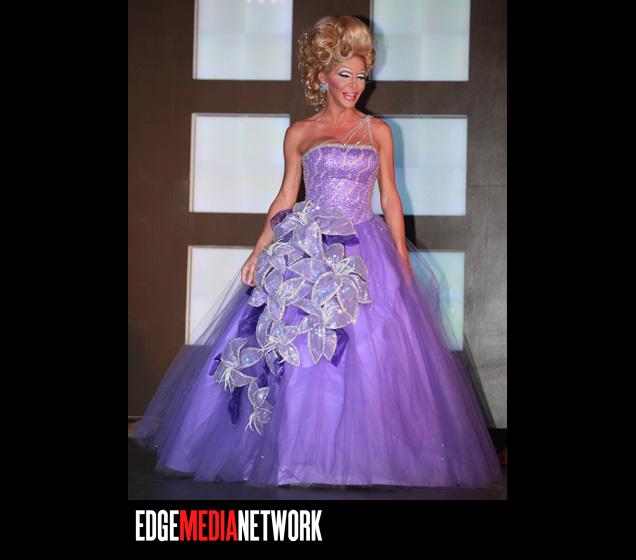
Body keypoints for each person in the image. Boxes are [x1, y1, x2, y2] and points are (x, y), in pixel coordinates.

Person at [131, 15, 502, 488]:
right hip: (307, 250)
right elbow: (286, 196)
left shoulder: (378, 131)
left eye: (362, 76)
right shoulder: (300, 134)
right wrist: (258, 250)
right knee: (300, 352)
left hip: (364, 250)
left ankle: (367, 459)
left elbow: (390, 197)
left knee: (370, 354)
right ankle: (297, 457)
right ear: (323, 75)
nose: (355, 85)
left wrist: (401, 258)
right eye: (345, 74)